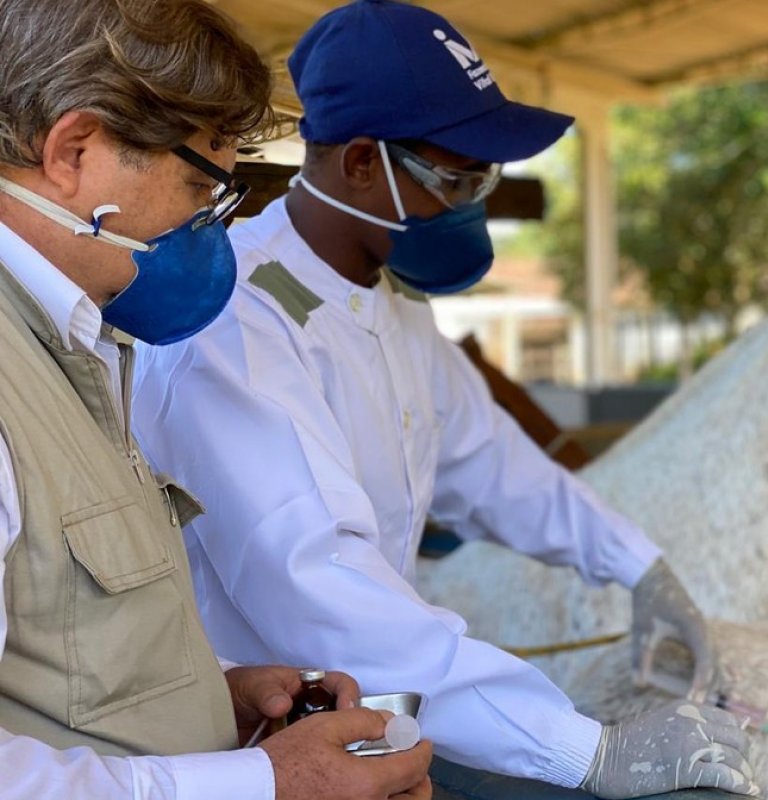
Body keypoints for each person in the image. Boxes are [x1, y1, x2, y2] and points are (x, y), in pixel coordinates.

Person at [131, 1, 757, 797]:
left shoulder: (390, 303)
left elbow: (493, 465)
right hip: (250, 744)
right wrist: (585, 750)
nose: (473, 206)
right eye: (458, 178)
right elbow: (324, 583)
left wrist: (638, 567)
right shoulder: (236, 320)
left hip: (362, 718)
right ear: (362, 163)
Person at [0, 1, 432, 798]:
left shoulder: (80, 346)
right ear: (73, 151)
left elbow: (47, 658)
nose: (208, 224)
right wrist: (265, 784)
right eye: (201, 184)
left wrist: (212, 695)